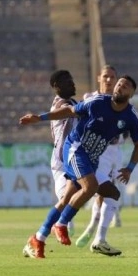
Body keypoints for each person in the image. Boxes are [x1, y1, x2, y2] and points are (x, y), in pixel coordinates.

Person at [19, 75, 138, 258]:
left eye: (125, 86)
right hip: (76, 149)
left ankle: (38, 238)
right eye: (119, 84)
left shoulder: (131, 117)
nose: (119, 87)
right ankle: (61, 224)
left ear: (132, 93)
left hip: (92, 158)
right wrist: (40, 117)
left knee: (72, 197)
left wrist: (130, 168)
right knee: (90, 186)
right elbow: (70, 111)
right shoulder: (97, 102)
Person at [75, 65, 125, 249]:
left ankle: (97, 234)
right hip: (98, 152)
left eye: (113, 77)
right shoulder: (90, 98)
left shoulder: (121, 102)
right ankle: (90, 230)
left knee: (110, 193)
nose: (109, 80)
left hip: (116, 151)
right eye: (106, 77)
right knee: (101, 192)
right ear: (99, 78)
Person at [46, 70, 78, 234]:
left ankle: (60, 224)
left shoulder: (72, 101)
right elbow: (71, 110)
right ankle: (57, 225)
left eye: (72, 80)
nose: (73, 83)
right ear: (57, 86)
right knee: (65, 196)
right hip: (60, 160)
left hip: (73, 157)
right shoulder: (60, 104)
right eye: (68, 81)